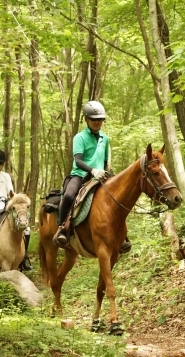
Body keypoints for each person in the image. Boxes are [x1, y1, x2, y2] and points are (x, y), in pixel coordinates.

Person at [53, 100, 131, 254]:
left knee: (120, 197)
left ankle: (122, 235)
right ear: (86, 119)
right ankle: (62, 228)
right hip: (81, 174)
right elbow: (78, 160)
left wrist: (106, 172)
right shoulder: (79, 137)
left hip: (101, 176)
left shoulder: (105, 139)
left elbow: (104, 161)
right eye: (94, 119)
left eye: (100, 119)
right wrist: (93, 170)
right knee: (69, 196)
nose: (97, 122)